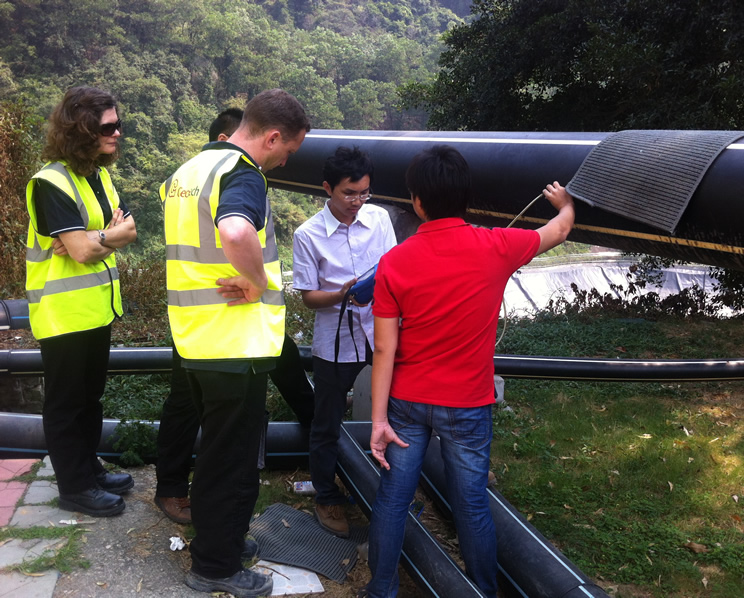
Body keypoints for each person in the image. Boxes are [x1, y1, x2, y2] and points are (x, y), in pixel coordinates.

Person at [364, 145, 575, 598]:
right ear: (466, 198)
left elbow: (384, 348)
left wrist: (378, 420)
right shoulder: (498, 245)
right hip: (467, 403)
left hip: (406, 402)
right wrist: (565, 203)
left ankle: (380, 591)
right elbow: (559, 229)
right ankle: (483, 591)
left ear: (417, 201)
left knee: (393, 501)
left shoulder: (393, 262)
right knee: (472, 505)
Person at [161, 89, 310, 598]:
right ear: (271, 136)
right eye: (287, 151)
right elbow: (235, 230)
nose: (284, 161)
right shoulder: (242, 173)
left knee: (216, 454)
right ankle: (216, 567)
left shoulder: (187, 172)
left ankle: (218, 543)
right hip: (235, 344)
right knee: (232, 461)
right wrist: (258, 281)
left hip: (197, 339)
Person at [24, 86, 138, 517]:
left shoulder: (98, 176)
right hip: (62, 313)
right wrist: (102, 237)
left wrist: (94, 237)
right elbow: (85, 250)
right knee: (66, 404)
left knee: (90, 399)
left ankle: (89, 469)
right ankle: (74, 487)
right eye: (108, 127)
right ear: (81, 130)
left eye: (117, 125)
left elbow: (129, 230)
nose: (117, 133)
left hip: (96, 309)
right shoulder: (50, 183)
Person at [292, 146, 397, 538]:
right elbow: (309, 297)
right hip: (336, 337)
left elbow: (394, 268)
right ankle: (326, 496)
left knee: (404, 407)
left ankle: (398, 484)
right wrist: (341, 294)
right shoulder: (308, 235)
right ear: (327, 189)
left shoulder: (379, 218)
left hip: (382, 328)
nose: (357, 201)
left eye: (364, 192)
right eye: (349, 193)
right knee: (327, 421)